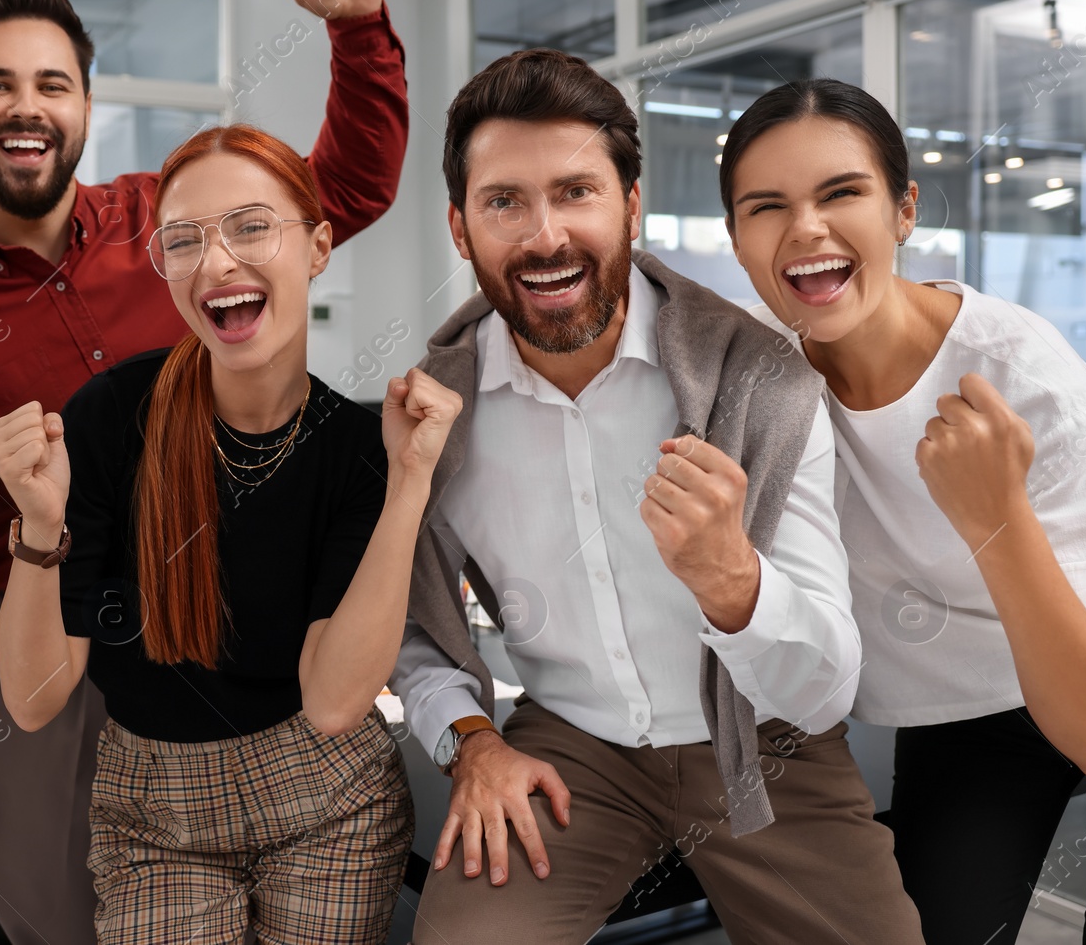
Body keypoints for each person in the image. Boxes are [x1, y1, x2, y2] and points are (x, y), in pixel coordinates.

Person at [0, 0, 409, 943]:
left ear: (82, 106)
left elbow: (349, 189)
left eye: (52, 83)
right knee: (58, 906)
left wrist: (357, 28)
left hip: (234, 601)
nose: (27, 104)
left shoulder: (172, 219)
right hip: (49, 609)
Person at [388, 49, 923, 942]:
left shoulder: (759, 376)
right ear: (459, 226)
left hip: (768, 742)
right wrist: (473, 740)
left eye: (576, 192)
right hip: (570, 747)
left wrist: (730, 579)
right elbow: (414, 622)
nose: (545, 234)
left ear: (630, 205)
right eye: (504, 201)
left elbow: (826, 689)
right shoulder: (434, 409)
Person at [0, 122, 458, 943]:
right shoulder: (109, 419)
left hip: (330, 799)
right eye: (184, 240)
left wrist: (409, 480)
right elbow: (33, 700)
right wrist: (38, 522)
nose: (217, 263)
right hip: (153, 810)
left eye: (250, 226)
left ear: (317, 246)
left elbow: (339, 697)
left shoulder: (356, 449)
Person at [722, 77, 1086, 945]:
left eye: (842, 192)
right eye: (767, 206)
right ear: (737, 239)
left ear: (903, 209)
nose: (807, 228)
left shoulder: (1018, 375)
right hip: (958, 705)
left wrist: (995, 515)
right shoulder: (748, 366)